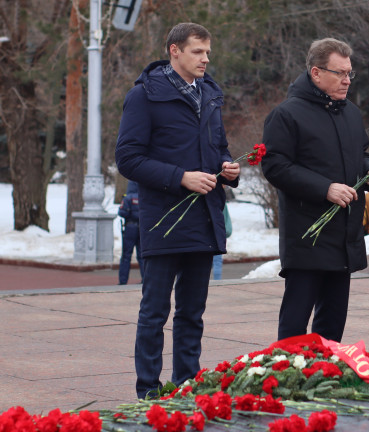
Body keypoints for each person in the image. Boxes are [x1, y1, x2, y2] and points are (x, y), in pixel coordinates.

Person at [115, 22, 240, 399]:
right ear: (174, 50)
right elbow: (128, 159)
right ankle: (148, 391)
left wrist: (228, 167)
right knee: (154, 312)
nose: (206, 59)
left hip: (203, 219)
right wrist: (181, 177)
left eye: (207, 52)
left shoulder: (210, 93)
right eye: (198, 52)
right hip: (164, 222)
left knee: (192, 314)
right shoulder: (144, 96)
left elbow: (218, 146)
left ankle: (188, 385)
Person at [261, 38, 369, 343]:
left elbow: (361, 154)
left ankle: (325, 380)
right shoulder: (287, 114)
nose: (347, 80)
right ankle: (286, 378)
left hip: (343, 236)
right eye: (339, 73)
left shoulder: (351, 113)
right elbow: (275, 166)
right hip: (307, 235)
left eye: (349, 73)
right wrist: (325, 188)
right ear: (316, 73)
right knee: (295, 323)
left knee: (332, 325)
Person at [118, 181, 145, 285]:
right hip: (141, 229)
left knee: (126, 255)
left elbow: (121, 212)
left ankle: (123, 281)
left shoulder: (128, 198)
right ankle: (145, 279)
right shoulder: (143, 197)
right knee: (141, 255)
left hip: (130, 228)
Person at [211, 203, 232, 280]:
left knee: (205, 261)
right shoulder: (220, 201)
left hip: (205, 235)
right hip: (218, 235)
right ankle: (217, 281)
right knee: (217, 261)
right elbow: (226, 220)